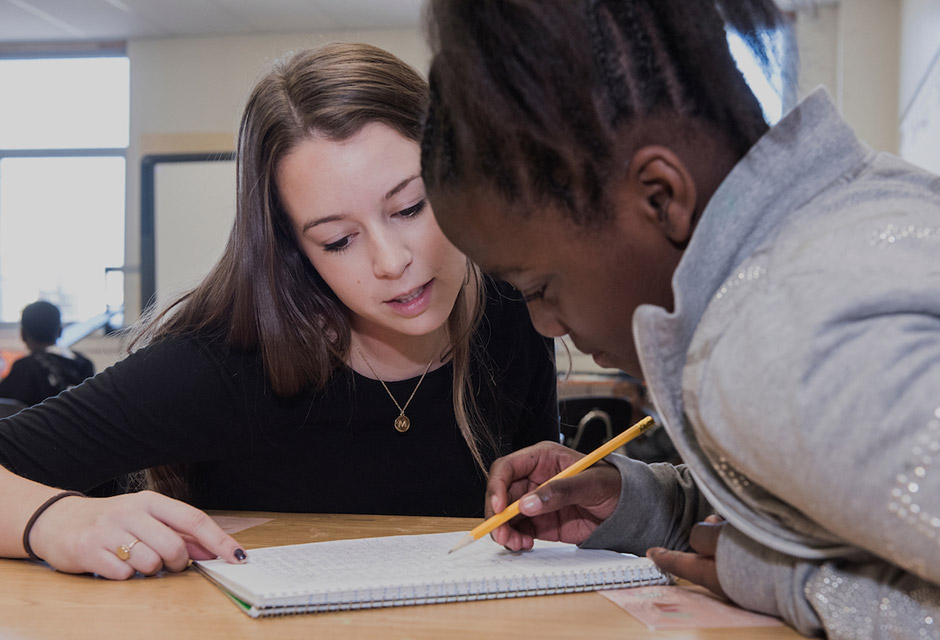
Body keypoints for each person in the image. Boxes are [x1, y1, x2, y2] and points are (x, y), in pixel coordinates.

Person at [420, 1, 940, 638]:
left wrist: (788, 584)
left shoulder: (769, 344)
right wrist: (647, 505)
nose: (543, 326)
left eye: (540, 288)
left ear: (659, 197)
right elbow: (834, 498)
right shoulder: (869, 206)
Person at [0, 43, 558, 580]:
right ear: (293, 249)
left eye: (412, 207)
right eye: (338, 240)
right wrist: (56, 520)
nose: (393, 262)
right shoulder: (227, 363)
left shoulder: (513, 307)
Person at [0, 301, 95, 407]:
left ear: (22, 334)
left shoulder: (24, 368)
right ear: (60, 331)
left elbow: (6, 407)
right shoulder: (85, 364)